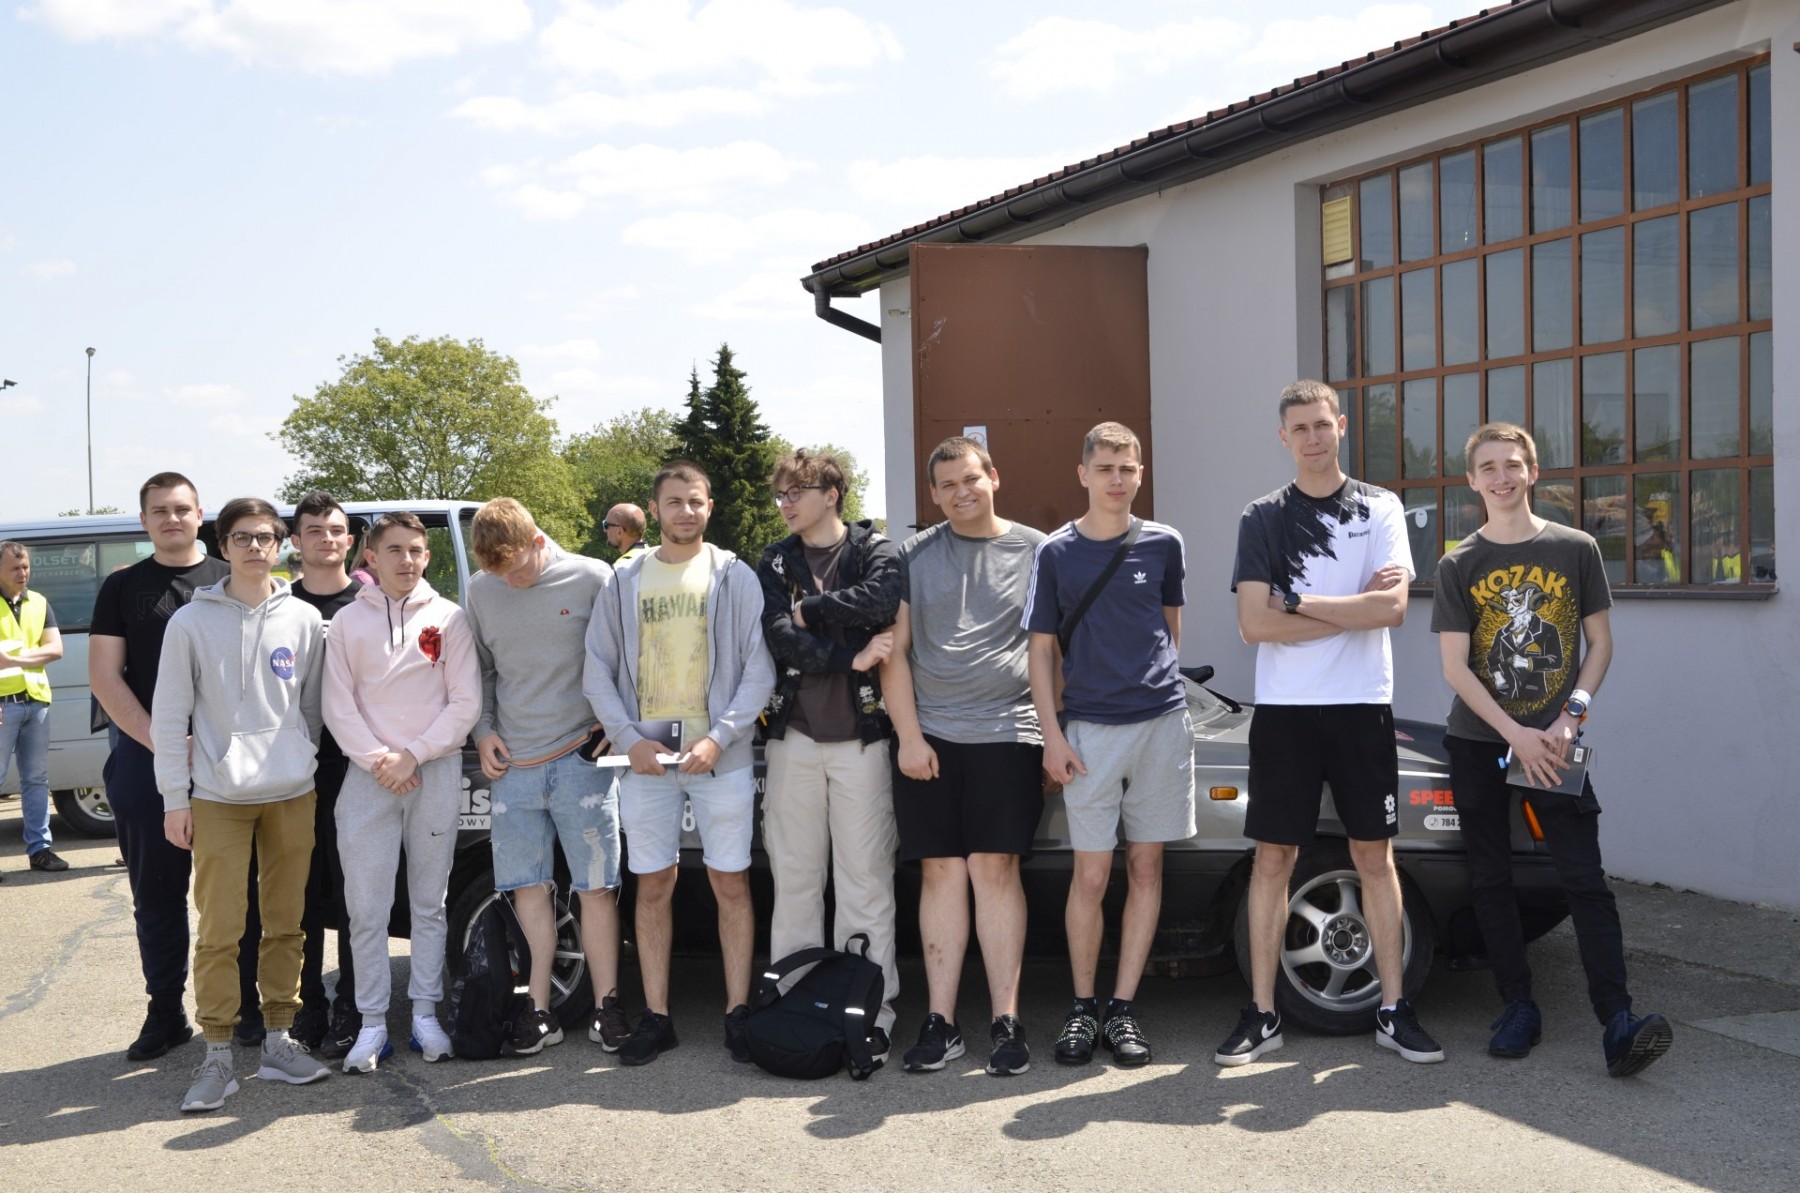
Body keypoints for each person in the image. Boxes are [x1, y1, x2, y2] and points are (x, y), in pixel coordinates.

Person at [1434, 422, 1674, 1077]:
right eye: (1489, 467)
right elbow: (1455, 667)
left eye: (1512, 464)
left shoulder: (1575, 548)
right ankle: (1518, 1007)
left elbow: (1601, 643)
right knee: (1490, 878)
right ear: (1472, 480)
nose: (1502, 476)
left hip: (1556, 742)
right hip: (1480, 741)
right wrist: (1513, 733)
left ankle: (1619, 1021)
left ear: (1533, 472)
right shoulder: (1458, 563)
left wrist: (1573, 714)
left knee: (1584, 880)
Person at [1217, 379, 1442, 1067]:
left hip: (1361, 706)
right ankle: (1262, 1015)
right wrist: (1348, 608)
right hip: (1285, 712)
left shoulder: (1380, 507)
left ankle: (1394, 1011)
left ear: (1341, 426)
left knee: (1375, 857)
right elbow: (1254, 625)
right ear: (1283, 437)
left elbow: (1392, 610)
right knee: (1273, 860)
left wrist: (1297, 602)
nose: (1312, 437)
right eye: (1300, 428)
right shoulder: (1262, 516)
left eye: (1322, 424)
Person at [584, 461, 775, 1066]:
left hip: (720, 758)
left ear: (708, 507)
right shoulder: (624, 579)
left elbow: (759, 669)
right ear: (655, 508)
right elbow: (597, 667)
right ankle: (657, 1017)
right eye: (674, 502)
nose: (685, 511)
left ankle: (737, 1012)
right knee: (653, 884)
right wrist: (628, 738)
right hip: (647, 759)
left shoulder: (734, 576)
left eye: (695, 501)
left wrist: (720, 737)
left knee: (731, 883)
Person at [153, 497, 331, 1112]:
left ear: (280, 545)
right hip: (218, 798)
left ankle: (279, 1041)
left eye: (265, 537)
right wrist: (175, 800)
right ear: (222, 546)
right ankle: (218, 1055)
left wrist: (297, 755)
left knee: (286, 923)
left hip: (291, 793)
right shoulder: (189, 623)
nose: (255, 547)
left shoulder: (303, 618)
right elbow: (170, 716)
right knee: (220, 930)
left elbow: (311, 707)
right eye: (242, 537)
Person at [1024, 422, 1192, 1068]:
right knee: (1091, 875)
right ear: (1083, 474)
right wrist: (1052, 735)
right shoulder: (1056, 553)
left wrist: (1163, 699)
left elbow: (1170, 631)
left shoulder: (1165, 543)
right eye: (1105, 468)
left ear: (1140, 474)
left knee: (1146, 868)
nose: (1117, 479)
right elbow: (1041, 651)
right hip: (1090, 730)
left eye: (1127, 468)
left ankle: (1122, 1008)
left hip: (1160, 725)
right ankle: (1081, 1007)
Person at [882, 438, 1045, 1076]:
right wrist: (909, 737)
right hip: (931, 738)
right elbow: (894, 653)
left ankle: (1006, 1020)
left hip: (1009, 732)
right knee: (942, 874)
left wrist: (1054, 736)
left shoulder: (1037, 551)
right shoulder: (913, 555)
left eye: (970, 479)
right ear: (933, 494)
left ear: (993, 477)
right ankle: (940, 1022)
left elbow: (1051, 653)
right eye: (947, 485)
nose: (961, 492)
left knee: (994, 870)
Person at [90, 472, 262, 1061]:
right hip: (145, 762)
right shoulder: (123, 587)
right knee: (157, 894)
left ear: (200, 515)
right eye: (159, 510)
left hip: (228, 764)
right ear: (144, 520)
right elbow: (104, 676)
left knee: (237, 894)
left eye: (182, 509)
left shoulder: (230, 575)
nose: (172, 518)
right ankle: (165, 1012)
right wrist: (164, 744)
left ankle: (244, 1007)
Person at [465, 498, 626, 1056]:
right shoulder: (481, 589)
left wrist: (616, 722)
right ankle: (538, 1011)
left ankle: (607, 1008)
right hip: (513, 765)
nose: (509, 584)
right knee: (527, 888)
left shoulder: (592, 577)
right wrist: (483, 731)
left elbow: (621, 658)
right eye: (497, 574)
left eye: (516, 570)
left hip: (581, 758)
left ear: (538, 541)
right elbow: (480, 670)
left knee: (596, 887)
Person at [756, 449, 901, 1066]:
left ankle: (871, 1014)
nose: (786, 503)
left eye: (798, 491)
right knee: (795, 880)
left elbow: (882, 601)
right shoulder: (774, 560)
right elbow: (780, 640)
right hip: (794, 736)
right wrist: (850, 657)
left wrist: (813, 609)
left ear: (832, 494)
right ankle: (794, 1010)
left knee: (865, 881)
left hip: (863, 740)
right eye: (781, 494)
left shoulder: (876, 550)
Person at [323, 513, 481, 1072]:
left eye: (416, 550)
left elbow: (465, 701)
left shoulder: (450, 617)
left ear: (427, 556)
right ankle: (371, 1023)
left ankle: (424, 1015)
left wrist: (413, 755)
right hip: (367, 780)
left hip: (433, 772)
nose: (407, 560)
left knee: (429, 903)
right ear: (371, 556)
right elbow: (337, 704)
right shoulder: (347, 623)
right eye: (395, 550)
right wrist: (380, 761)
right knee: (365, 908)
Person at [285, 491, 364, 1059]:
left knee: (355, 895)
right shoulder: (280, 606)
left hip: (357, 768)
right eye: (314, 530)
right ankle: (307, 1002)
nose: (327, 539)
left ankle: (353, 1004)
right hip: (293, 772)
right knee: (301, 896)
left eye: (335, 530)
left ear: (350, 540)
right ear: (296, 541)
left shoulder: (370, 603)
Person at [0, 540, 68, 872]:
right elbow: (45, 651)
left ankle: (41, 850)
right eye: (15, 567)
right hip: (3, 706)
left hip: (36, 702)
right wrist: (34, 656)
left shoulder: (39, 602)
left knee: (37, 779)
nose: (23, 573)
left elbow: (55, 649)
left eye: (25, 566)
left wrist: (13, 659)